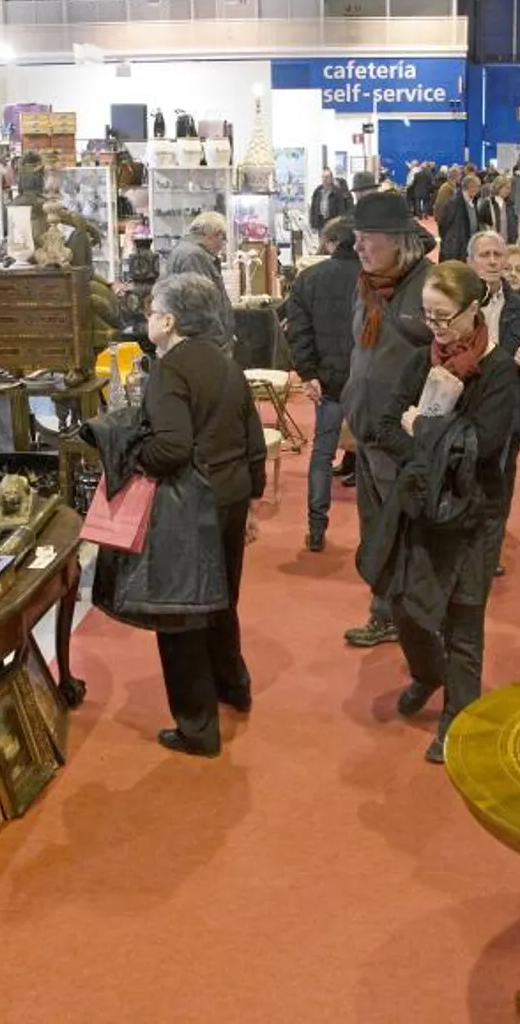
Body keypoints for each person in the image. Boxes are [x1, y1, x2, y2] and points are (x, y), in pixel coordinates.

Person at [358, 261, 519, 763]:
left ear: (475, 309)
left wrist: (422, 433)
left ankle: (459, 714)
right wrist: (435, 449)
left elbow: (484, 447)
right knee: (403, 602)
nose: (436, 328)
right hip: (420, 506)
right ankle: (428, 674)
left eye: (444, 317)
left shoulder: (498, 372)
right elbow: (385, 426)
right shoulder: (419, 360)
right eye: (428, 316)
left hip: (475, 513)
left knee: (464, 617)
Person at [138, 273, 267, 757]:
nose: (148, 318)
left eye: (152, 311)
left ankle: (197, 727)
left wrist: (136, 458)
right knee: (221, 599)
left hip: (191, 502)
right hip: (230, 493)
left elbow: (171, 446)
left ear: (168, 320)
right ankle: (233, 684)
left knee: (182, 611)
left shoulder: (170, 369)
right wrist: (253, 496)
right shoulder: (223, 360)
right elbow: (252, 435)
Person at [340, 191, 437, 648]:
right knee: (376, 532)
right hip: (367, 433)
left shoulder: (430, 288)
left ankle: (413, 621)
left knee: (406, 534)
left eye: (366, 239)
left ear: (399, 241)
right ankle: (386, 613)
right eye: (355, 238)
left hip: (401, 439)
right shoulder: (368, 285)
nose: (358, 247)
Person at [468, 230, 520, 576]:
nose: (492, 261)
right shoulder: (459, 303)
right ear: (471, 261)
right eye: (484, 255)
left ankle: (489, 554)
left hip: (509, 410)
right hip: (465, 406)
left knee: (498, 484)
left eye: (497, 255)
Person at [282, 217, 359, 552]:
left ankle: (316, 526)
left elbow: (297, 331)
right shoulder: (376, 278)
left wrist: (306, 372)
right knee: (376, 455)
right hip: (368, 380)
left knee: (322, 455)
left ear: (331, 242)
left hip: (327, 379)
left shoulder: (309, 278)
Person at [160, 211, 233, 352]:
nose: (223, 245)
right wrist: (219, 341)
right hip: (204, 345)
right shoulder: (194, 256)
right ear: (217, 234)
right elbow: (202, 307)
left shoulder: (184, 250)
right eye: (223, 239)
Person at [436, 174, 481, 264]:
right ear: (470, 187)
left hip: (468, 245)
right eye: (477, 186)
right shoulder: (454, 202)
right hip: (456, 248)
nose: (478, 189)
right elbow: (443, 224)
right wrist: (449, 240)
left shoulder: (472, 201)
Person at [309, 167, 350, 232]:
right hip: (320, 222)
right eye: (323, 177)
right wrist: (313, 224)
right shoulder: (317, 191)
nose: (324, 179)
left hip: (332, 223)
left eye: (327, 177)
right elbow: (313, 208)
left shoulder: (337, 192)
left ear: (331, 179)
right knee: (322, 241)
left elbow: (341, 210)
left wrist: (339, 225)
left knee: (331, 241)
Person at [476, 177, 512, 245]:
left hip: (507, 244)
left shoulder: (510, 204)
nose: (508, 191)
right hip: (492, 243)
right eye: (506, 188)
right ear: (498, 188)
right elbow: (481, 224)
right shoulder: (486, 204)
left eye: (509, 188)